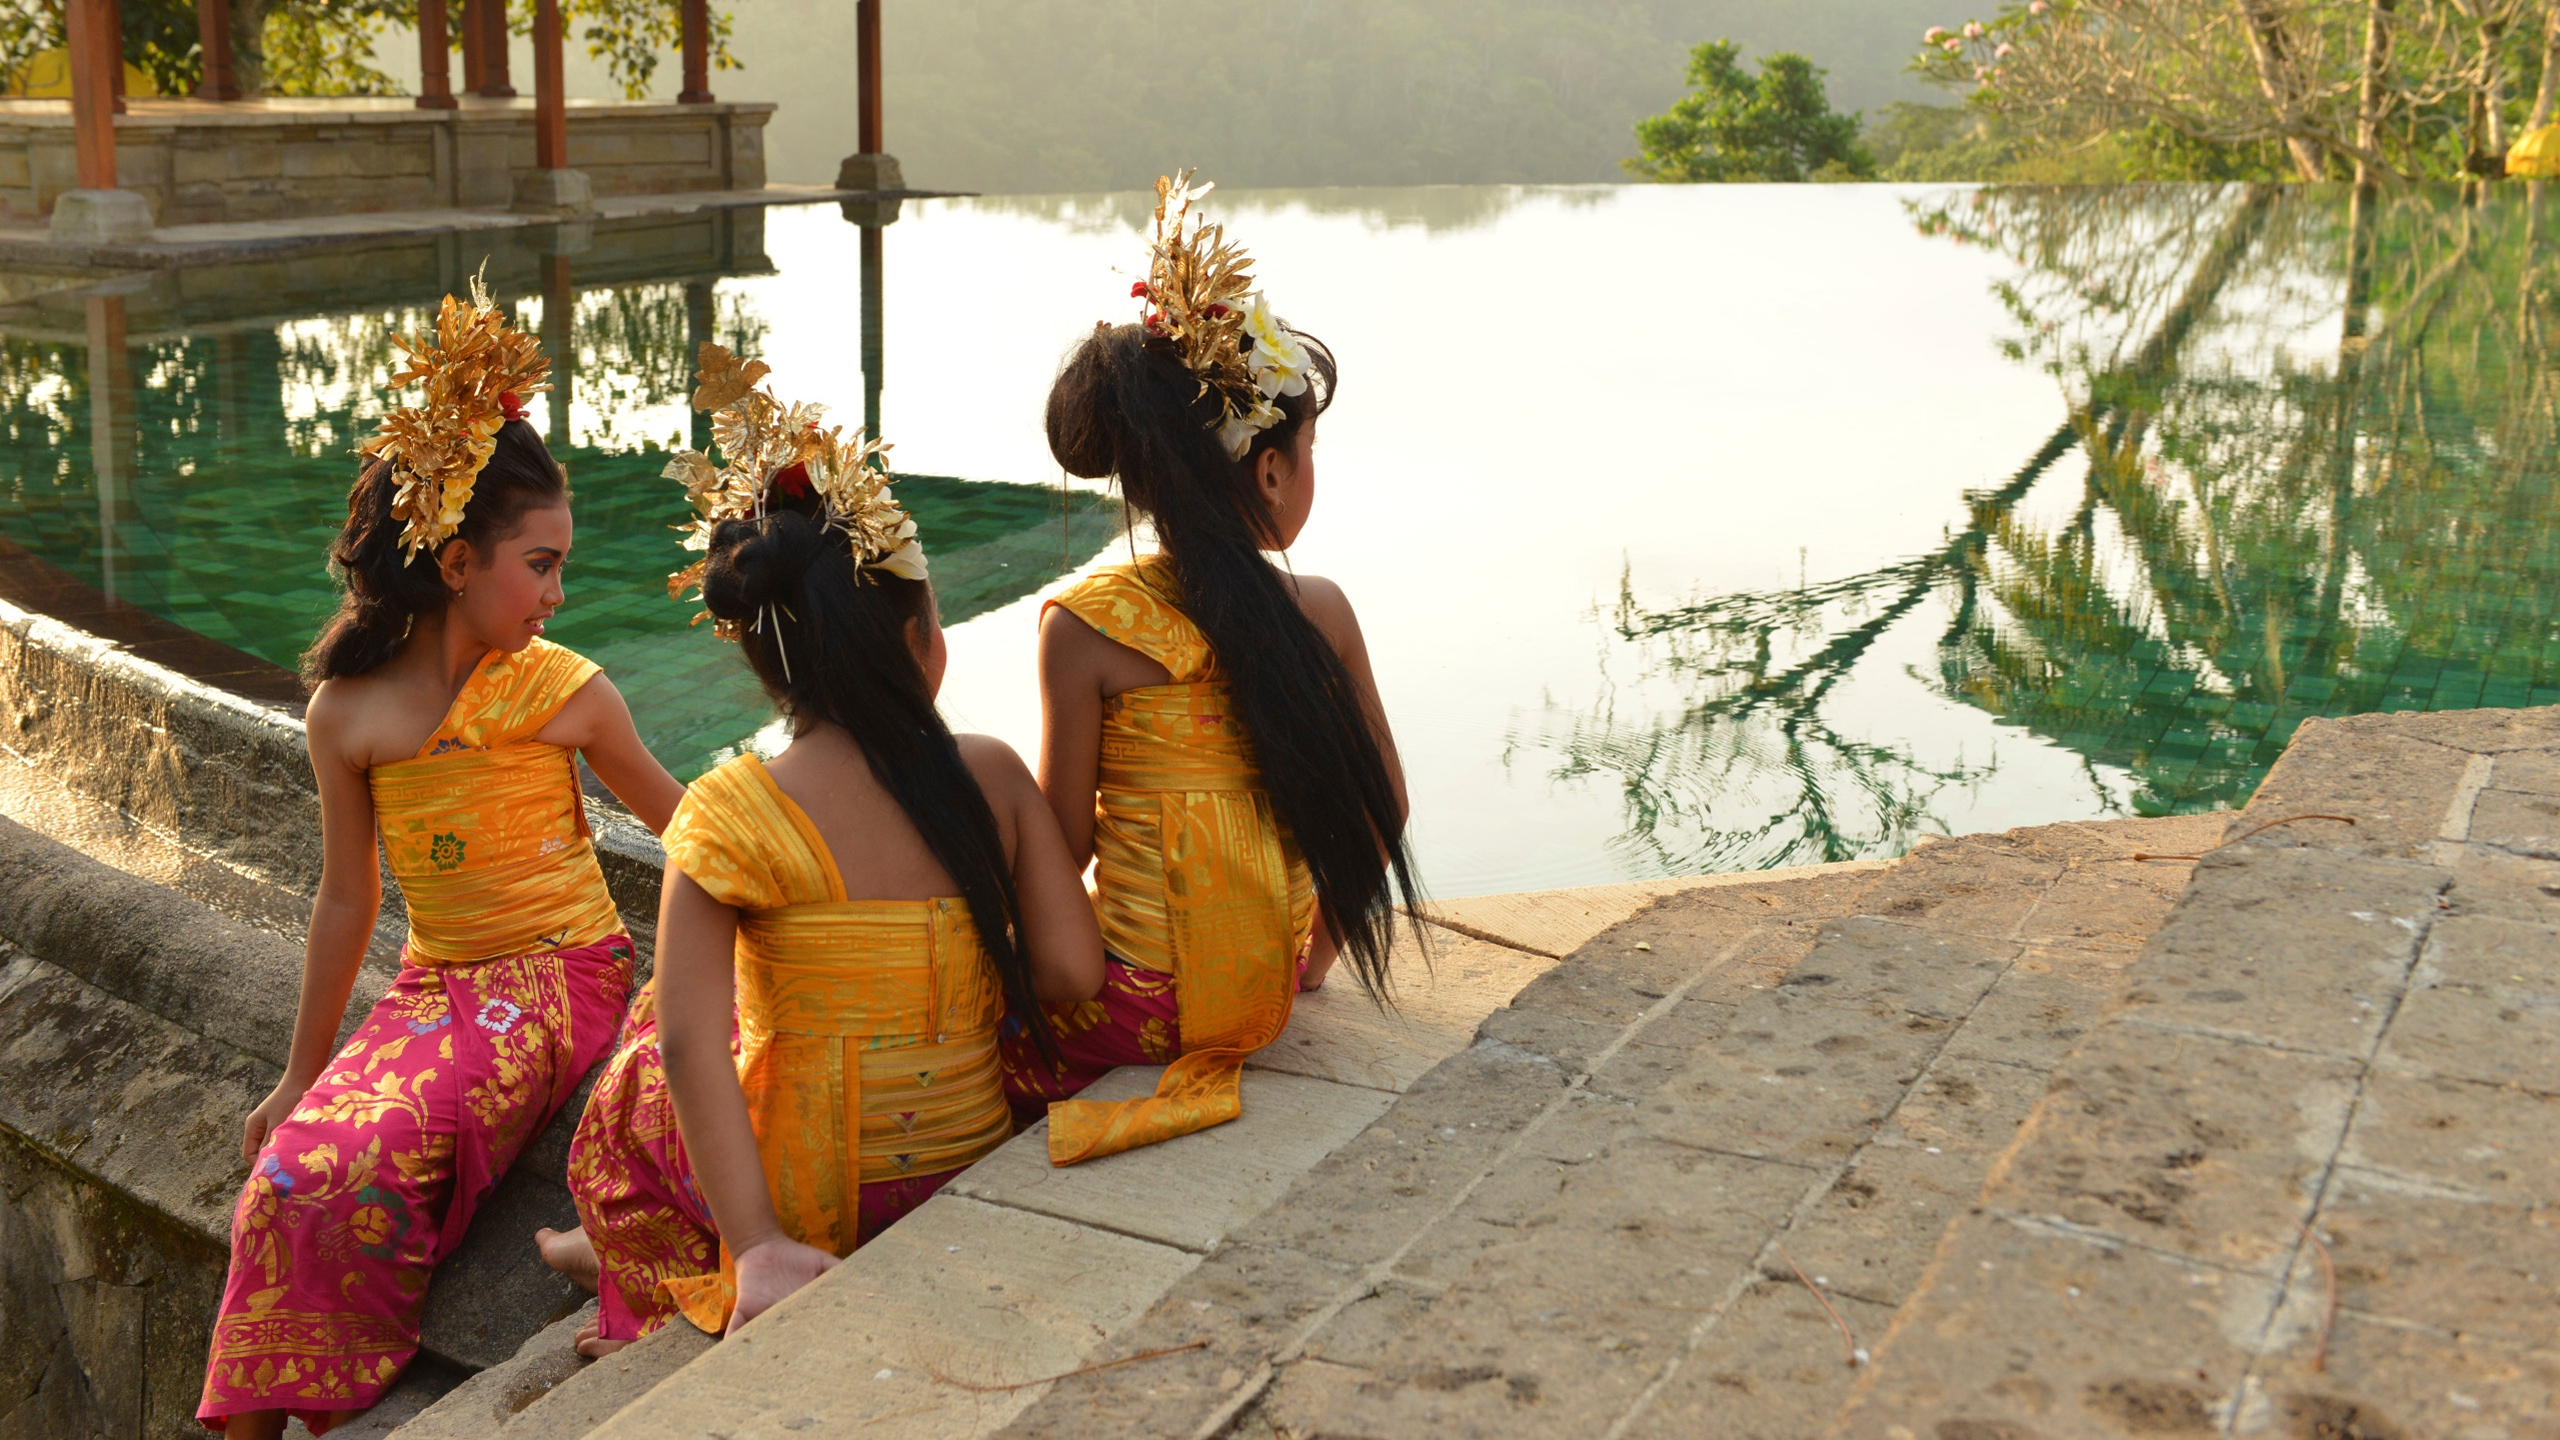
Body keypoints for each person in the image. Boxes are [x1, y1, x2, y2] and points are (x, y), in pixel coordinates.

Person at [198, 278, 683, 1438]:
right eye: (540, 564)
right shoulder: (345, 714)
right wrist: (295, 1073)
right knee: (282, 1179)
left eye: (560, 567)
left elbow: (692, 824)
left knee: (363, 1168)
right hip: (434, 986)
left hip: (561, 981)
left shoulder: (565, 691)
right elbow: (347, 899)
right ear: (458, 561)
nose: (556, 597)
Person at [554, 348, 1103, 1352]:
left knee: (647, 1049)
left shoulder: (726, 811)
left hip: (805, 1214)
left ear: (767, 665)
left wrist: (760, 1239)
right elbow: (1071, 970)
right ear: (914, 641)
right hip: (965, 1166)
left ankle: (652, 1254)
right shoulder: (987, 775)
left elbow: (687, 1048)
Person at [1000, 172, 1422, 1165]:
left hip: (1134, 1007)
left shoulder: (1088, 627)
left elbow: (1061, 842)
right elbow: (1383, 805)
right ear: (1270, 469)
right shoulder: (1318, 612)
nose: (1307, 468)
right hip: (1260, 997)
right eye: (1308, 447)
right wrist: (1309, 959)